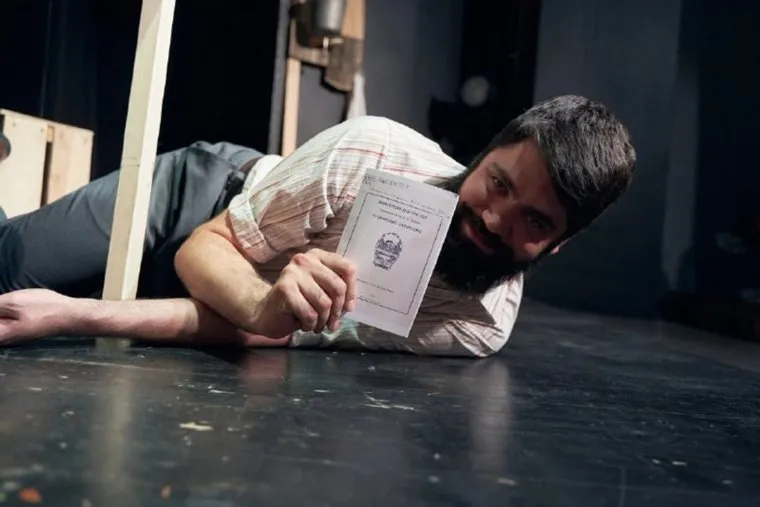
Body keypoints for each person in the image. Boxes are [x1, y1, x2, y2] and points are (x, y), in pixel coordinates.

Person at [0, 95, 636, 357]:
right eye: (498, 183)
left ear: (558, 245)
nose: (494, 220)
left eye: (533, 220)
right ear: (483, 155)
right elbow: (205, 249)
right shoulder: (374, 149)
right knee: (10, 266)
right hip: (202, 202)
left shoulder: (480, 325)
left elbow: (267, 336)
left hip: (233, 301)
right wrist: (265, 306)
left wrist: (76, 315)